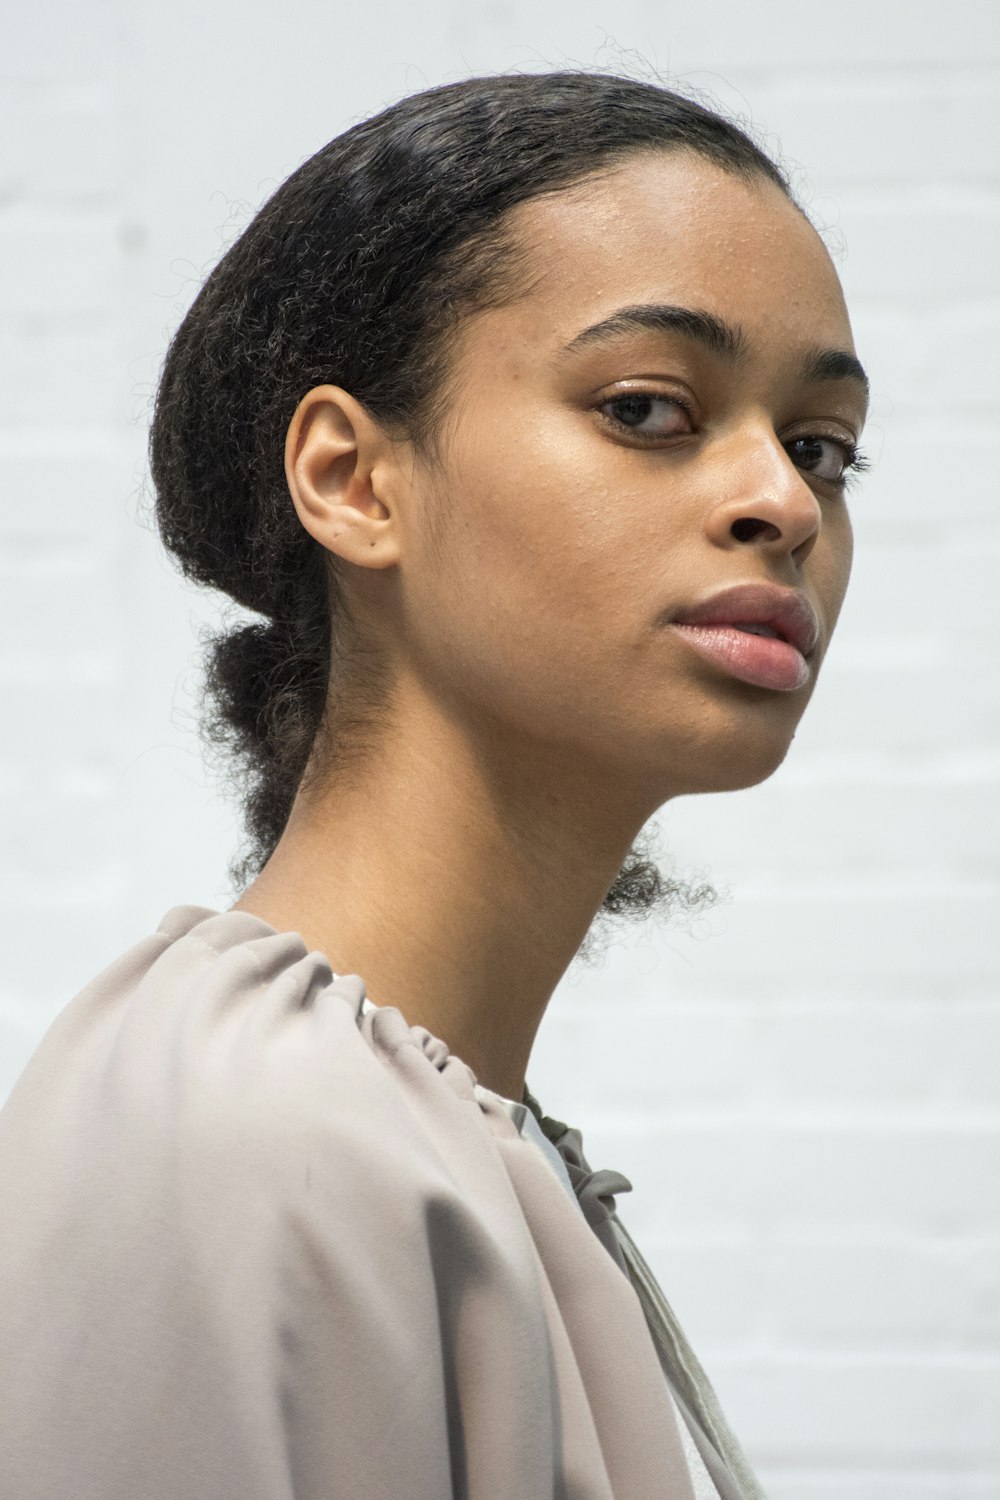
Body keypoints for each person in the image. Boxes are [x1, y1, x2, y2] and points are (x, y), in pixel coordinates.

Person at [0, 71, 869, 1500]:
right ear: (353, 479)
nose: (780, 499)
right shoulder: (241, 1136)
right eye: (650, 406)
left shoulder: (437, 1123)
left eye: (822, 445)